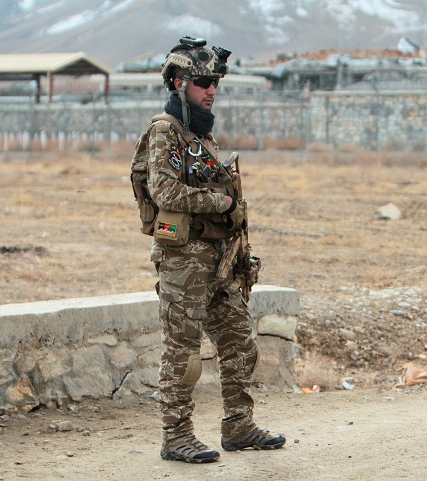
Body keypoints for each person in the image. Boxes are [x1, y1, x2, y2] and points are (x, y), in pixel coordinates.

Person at [133, 35, 285, 464]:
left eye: (215, 83)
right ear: (179, 83)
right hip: (183, 258)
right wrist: (222, 203)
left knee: (240, 342)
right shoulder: (165, 131)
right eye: (203, 83)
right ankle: (176, 435)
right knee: (182, 353)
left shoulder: (199, 133)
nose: (212, 90)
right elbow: (164, 190)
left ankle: (238, 426)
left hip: (217, 257)